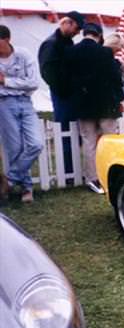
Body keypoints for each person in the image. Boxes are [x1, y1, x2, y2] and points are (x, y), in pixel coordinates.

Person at [65, 22, 124, 194]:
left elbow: (67, 79)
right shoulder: (105, 52)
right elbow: (115, 78)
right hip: (106, 103)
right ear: (98, 35)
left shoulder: (71, 52)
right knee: (109, 141)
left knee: (89, 142)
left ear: (84, 33)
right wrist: (119, 98)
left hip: (83, 104)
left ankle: (92, 179)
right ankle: (110, 175)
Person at [0, 24, 43, 203]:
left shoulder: (23, 54)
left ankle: (8, 180)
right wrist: (17, 82)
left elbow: (33, 82)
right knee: (14, 148)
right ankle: (26, 189)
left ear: (7, 39)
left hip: (25, 102)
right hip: (4, 104)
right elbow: (26, 81)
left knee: (36, 144)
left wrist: (6, 81)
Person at [38, 10, 83, 174]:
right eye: (76, 29)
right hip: (62, 95)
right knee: (65, 133)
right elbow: (47, 72)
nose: (77, 33)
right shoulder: (51, 44)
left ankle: (75, 169)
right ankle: (68, 171)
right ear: (67, 23)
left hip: (72, 94)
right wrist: (63, 90)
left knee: (74, 134)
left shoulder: (67, 42)